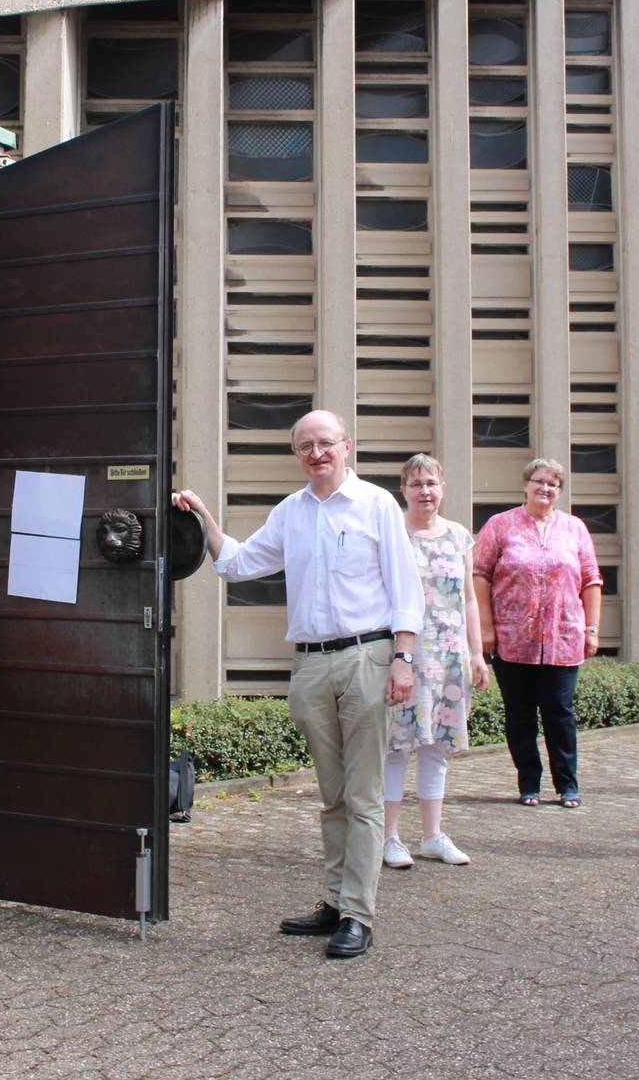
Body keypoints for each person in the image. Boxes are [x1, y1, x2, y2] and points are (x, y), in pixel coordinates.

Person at [173, 410, 420, 960]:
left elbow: (406, 589)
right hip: (310, 666)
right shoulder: (291, 512)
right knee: (332, 795)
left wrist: (403, 658)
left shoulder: (377, 505)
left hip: (368, 657)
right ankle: (335, 901)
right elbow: (236, 563)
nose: (316, 453)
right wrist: (205, 517)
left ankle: (358, 914)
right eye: (305, 446)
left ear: (347, 446)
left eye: (325, 443)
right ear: (296, 454)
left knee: (363, 795)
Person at [472, 458, 603, 809]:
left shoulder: (574, 528)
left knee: (560, 711)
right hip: (513, 638)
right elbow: (479, 575)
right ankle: (528, 783)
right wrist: (485, 626)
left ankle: (567, 785)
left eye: (553, 484)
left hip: (563, 637)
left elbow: (591, 580)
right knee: (520, 714)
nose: (545, 489)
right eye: (539, 481)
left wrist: (592, 628)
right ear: (526, 484)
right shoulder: (500, 525)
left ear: (559, 491)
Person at [382, 455, 489, 869]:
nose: (424, 491)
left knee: (435, 748)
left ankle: (432, 835)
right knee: (396, 747)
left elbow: (468, 598)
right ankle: (390, 838)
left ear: (443, 487)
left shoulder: (460, 536)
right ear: (403, 490)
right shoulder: (394, 534)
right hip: (406, 655)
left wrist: (476, 653)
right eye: (415, 484)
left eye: (430, 483)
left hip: (448, 657)